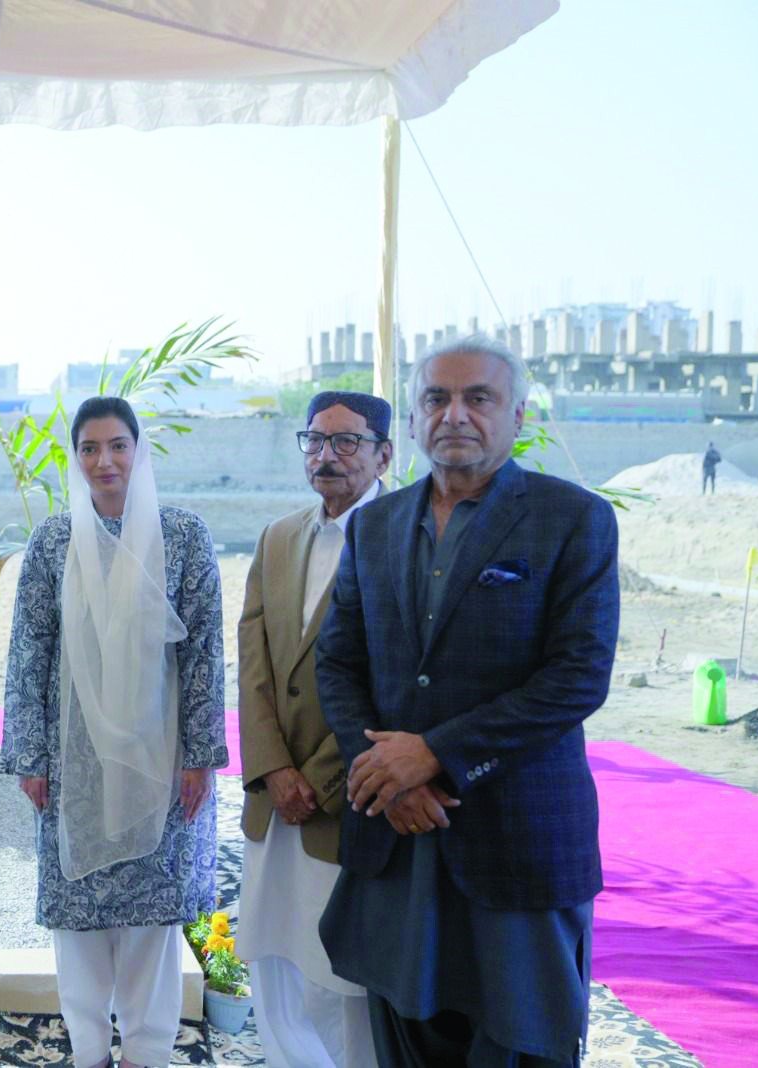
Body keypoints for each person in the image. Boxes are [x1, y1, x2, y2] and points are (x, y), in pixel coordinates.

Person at [316, 335, 620, 1066]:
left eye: (477, 398)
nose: (456, 414)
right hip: (399, 836)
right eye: (436, 398)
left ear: (517, 416)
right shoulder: (374, 526)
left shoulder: (572, 519)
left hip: (515, 838)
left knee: (521, 1042)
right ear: (415, 422)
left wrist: (436, 758)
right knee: (406, 1038)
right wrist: (384, 772)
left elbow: (577, 677)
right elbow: (338, 659)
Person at [1, 396, 226, 1068]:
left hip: (160, 761)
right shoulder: (54, 540)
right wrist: (31, 755)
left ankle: (147, 1053)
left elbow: (205, 652)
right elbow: (28, 648)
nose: (105, 461)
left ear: (139, 451)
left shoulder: (183, 536)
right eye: (90, 448)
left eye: (118, 445)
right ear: (76, 457)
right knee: (78, 919)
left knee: (152, 920)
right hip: (75, 758)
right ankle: (91, 1050)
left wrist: (198, 756)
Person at [237, 390, 391, 1067]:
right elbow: (254, 663)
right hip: (276, 799)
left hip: (346, 798)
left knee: (342, 980)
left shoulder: (399, 540)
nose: (327, 456)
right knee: (273, 959)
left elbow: (394, 683)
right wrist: (274, 768)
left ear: (385, 452)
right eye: (315, 440)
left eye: (347, 441)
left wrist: (321, 780)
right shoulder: (278, 537)